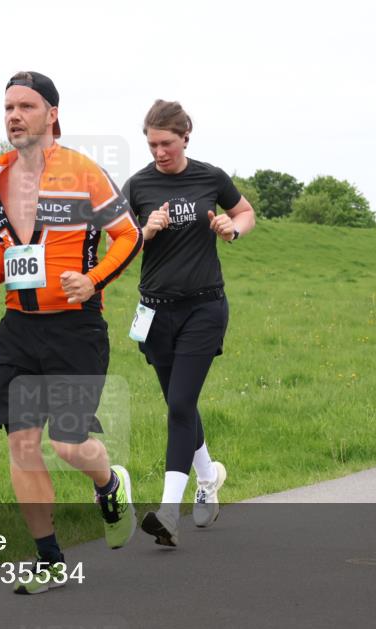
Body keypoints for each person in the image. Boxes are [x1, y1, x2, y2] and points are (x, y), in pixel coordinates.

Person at [0, 71, 144, 593]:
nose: (14, 116)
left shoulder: (83, 172)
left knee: (69, 445)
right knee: (22, 446)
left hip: (74, 329)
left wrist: (91, 282)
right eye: (7, 107)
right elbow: (5, 244)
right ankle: (49, 560)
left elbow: (128, 236)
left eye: (26, 106)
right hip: (18, 330)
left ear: (52, 114)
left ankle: (109, 485)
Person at [121, 100, 255, 547]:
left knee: (179, 403)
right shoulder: (137, 185)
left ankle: (168, 512)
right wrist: (145, 231)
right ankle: (208, 477)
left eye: (167, 143)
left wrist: (231, 229)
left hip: (203, 308)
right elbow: (119, 244)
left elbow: (245, 212)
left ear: (185, 136)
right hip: (155, 312)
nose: (159, 151)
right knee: (181, 405)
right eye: (152, 143)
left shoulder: (209, 176)